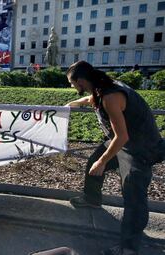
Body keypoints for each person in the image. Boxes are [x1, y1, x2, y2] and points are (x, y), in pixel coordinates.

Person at [65, 61, 164, 255]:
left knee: (134, 198)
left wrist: (103, 161)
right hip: (123, 143)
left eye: (72, 82)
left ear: (81, 81)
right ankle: (92, 198)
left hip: (139, 150)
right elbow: (92, 99)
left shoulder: (111, 96)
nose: (71, 86)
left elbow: (122, 137)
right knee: (92, 161)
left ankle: (128, 249)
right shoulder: (103, 87)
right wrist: (74, 103)